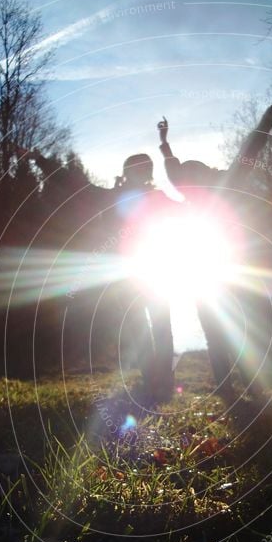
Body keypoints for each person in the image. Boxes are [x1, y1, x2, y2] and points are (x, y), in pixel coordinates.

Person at [156, 101, 272, 398]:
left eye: (188, 177)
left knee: (234, 332)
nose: (183, 183)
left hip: (229, 270)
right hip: (205, 271)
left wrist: (266, 121)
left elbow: (249, 151)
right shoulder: (197, 192)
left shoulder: (225, 185)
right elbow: (175, 170)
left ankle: (246, 386)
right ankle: (229, 387)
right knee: (219, 332)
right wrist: (164, 145)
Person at [108, 153, 176, 401]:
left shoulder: (158, 197)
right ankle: (152, 378)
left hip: (156, 267)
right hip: (128, 274)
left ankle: (162, 378)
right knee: (140, 328)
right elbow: (80, 189)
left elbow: (187, 210)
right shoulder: (114, 196)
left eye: (144, 169)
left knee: (160, 327)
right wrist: (42, 161)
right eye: (135, 169)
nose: (140, 174)